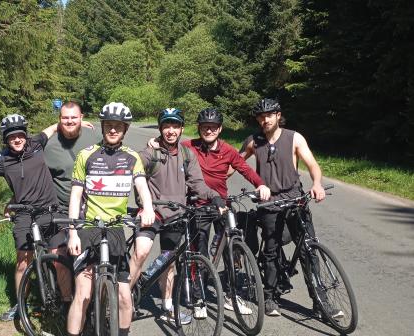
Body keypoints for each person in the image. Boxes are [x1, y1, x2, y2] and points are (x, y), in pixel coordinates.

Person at [67, 102, 156, 336]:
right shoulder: (86, 155)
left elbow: (142, 186)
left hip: (115, 230)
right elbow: (76, 196)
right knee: (84, 293)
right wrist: (73, 231)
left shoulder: (131, 157)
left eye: (118, 126)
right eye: (109, 125)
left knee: (125, 297)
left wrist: (147, 208)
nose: (113, 130)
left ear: (125, 129)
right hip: (88, 229)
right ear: (102, 127)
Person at [0, 113, 71, 322]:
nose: (17, 140)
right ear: (6, 140)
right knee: (22, 262)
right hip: (24, 215)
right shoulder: (3, 161)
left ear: (25, 136)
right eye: (11, 137)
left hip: (49, 210)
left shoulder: (36, 145)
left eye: (20, 135)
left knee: (59, 257)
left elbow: (52, 128)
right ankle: (20, 305)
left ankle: (67, 302)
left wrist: (75, 121)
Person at [240, 98, 334, 318]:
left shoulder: (294, 138)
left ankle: (320, 302)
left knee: (309, 252)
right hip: (269, 203)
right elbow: (233, 163)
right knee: (271, 251)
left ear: (278, 116)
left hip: (296, 200)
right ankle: (271, 296)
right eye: (261, 117)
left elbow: (312, 165)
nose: (265, 119)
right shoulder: (253, 141)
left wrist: (317, 184)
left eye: (269, 115)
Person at [130, 108, 223, 322]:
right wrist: (143, 204)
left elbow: (197, 183)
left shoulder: (186, 154)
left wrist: (214, 196)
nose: (170, 131)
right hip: (152, 214)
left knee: (168, 262)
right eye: (166, 126)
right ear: (160, 128)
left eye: (175, 126)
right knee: (141, 252)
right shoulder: (149, 153)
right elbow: (132, 172)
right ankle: (124, 299)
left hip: (176, 216)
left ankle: (167, 307)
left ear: (181, 129)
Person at [180, 107, 271, 314]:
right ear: (199, 128)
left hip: (221, 205)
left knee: (231, 250)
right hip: (198, 206)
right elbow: (168, 145)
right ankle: (199, 298)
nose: (209, 131)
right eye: (205, 127)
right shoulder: (188, 147)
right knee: (199, 251)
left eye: (213, 127)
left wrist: (260, 184)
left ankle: (231, 295)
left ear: (220, 129)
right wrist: (154, 142)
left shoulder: (228, 150)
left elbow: (245, 169)